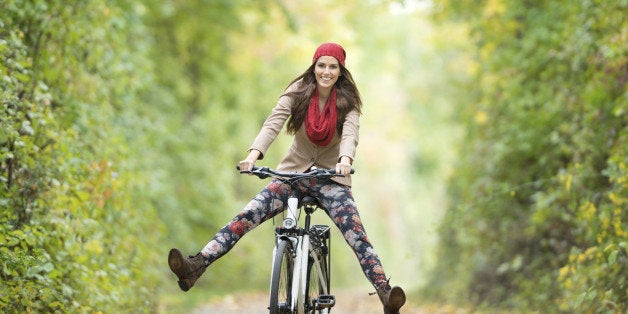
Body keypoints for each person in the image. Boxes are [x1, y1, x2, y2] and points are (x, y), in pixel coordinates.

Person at [168, 42, 406, 313]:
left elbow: (350, 135)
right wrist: (254, 156)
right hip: (292, 175)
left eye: (333, 66)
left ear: (341, 71)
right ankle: (195, 266)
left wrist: (344, 161)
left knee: (357, 235)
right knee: (245, 217)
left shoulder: (348, 103)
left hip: (331, 179)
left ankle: (385, 295)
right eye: (321, 65)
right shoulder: (297, 92)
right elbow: (274, 122)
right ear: (313, 66)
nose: (326, 71)